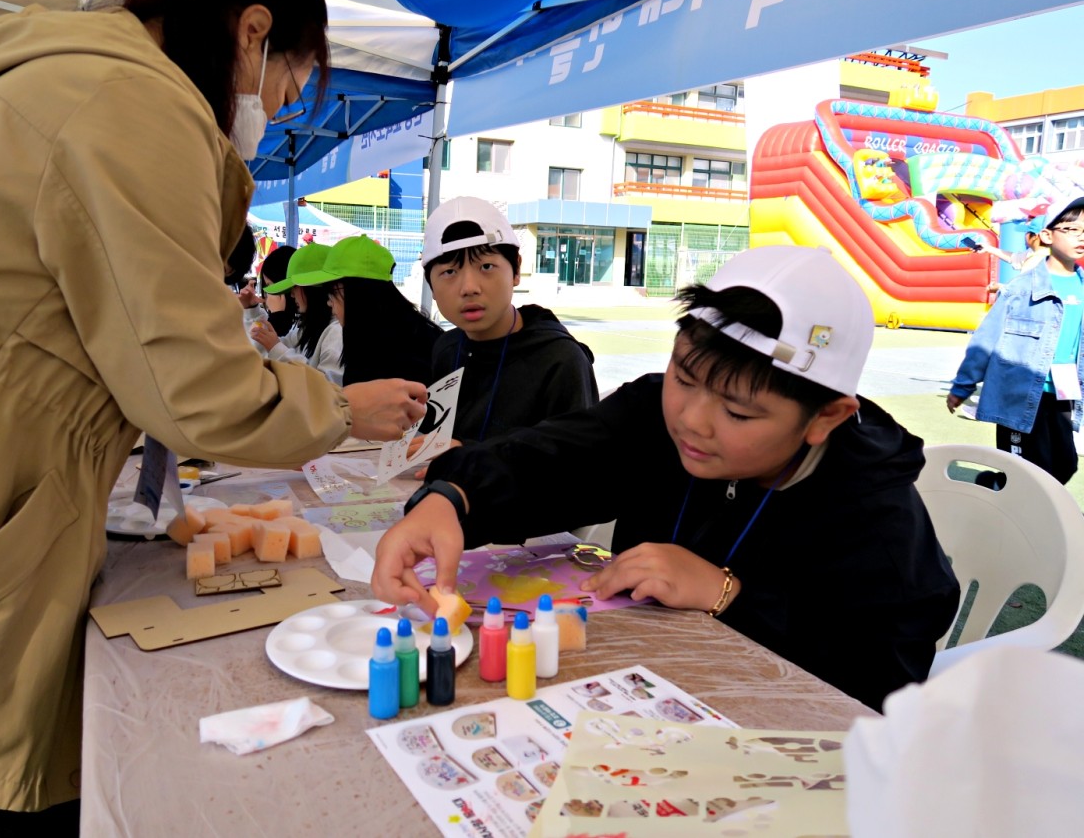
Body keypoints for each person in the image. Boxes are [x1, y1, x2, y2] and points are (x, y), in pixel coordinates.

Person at [0, 0, 427, 827]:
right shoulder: (136, 104)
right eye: (284, 92)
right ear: (253, 30)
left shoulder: (34, 84)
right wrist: (339, 411)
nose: (269, 122)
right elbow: (196, 387)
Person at [374, 246, 961, 712]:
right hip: (620, 694)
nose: (692, 420)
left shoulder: (876, 514)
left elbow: (883, 678)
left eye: (738, 412)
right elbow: (552, 458)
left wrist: (728, 595)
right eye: (684, 375)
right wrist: (453, 496)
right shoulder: (656, 415)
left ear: (825, 416)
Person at [423, 196, 598, 442]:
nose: (469, 288)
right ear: (431, 285)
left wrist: (469, 455)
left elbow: (575, 464)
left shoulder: (560, 362)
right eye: (449, 272)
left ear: (515, 270)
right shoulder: (446, 349)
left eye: (486, 267)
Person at [947, 194, 1084, 485]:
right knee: (1026, 468)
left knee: (1065, 464)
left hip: (1062, 391)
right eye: (1071, 230)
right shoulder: (1021, 288)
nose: (1080, 237)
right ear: (1047, 235)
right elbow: (986, 339)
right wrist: (963, 385)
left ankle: (993, 486)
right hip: (1019, 392)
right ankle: (1008, 507)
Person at [287, 234, 442, 386]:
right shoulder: (407, 332)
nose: (328, 302)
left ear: (357, 294)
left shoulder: (386, 357)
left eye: (332, 291)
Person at [253, 243, 344, 383]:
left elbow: (328, 389)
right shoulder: (308, 327)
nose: (292, 293)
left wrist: (276, 345)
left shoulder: (336, 333)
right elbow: (269, 348)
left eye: (295, 286)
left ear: (312, 289)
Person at [240, 244, 299, 354]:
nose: (267, 295)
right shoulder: (292, 320)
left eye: (271, 286)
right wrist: (251, 309)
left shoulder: (299, 325)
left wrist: (278, 319)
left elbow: (262, 355)